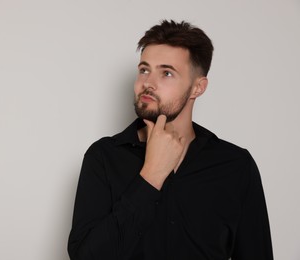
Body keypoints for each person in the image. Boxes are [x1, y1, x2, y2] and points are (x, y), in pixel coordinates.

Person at [67, 20, 273, 260]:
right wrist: (151, 176)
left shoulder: (236, 165)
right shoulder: (103, 157)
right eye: (144, 70)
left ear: (198, 87)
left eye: (166, 73)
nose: (148, 83)